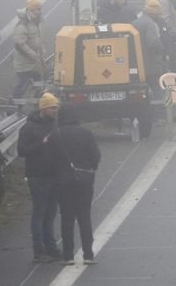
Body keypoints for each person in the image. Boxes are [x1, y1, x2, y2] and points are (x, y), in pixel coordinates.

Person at [46, 105, 101, 265]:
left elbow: (49, 160)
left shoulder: (55, 135)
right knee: (84, 216)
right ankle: (88, 254)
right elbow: (96, 155)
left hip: (62, 181)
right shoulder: (86, 133)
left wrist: (57, 174)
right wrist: (89, 169)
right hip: (84, 180)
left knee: (67, 218)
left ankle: (68, 255)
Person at [17, 92, 61, 262]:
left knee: (51, 212)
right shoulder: (29, 127)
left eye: (56, 107)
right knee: (40, 211)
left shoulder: (56, 124)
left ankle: (51, 248)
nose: (55, 111)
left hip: (54, 173)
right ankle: (39, 250)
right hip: (37, 174)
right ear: (43, 109)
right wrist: (41, 144)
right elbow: (22, 151)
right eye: (52, 108)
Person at [13, 0, 47, 100]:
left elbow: (39, 40)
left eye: (40, 9)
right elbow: (20, 44)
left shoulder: (36, 22)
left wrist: (42, 54)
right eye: (36, 9)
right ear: (30, 10)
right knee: (22, 86)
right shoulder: (23, 25)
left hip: (35, 63)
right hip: (25, 64)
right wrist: (33, 55)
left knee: (38, 84)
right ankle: (13, 106)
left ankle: (38, 102)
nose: (39, 12)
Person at [132, 0, 165, 92]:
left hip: (138, 64)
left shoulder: (135, 23)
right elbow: (153, 42)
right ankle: (158, 106)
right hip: (152, 64)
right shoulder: (151, 24)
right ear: (155, 14)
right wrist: (161, 49)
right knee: (156, 89)